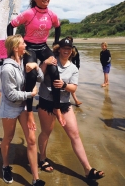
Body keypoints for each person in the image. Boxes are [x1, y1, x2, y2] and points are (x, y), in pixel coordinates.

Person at [37, 37, 105, 180]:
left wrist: (63, 85)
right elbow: (39, 78)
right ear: (59, 49)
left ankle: (88, 169)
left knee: (74, 134)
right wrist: (44, 63)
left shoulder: (73, 68)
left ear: (71, 50)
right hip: (46, 102)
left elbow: (73, 87)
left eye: (69, 49)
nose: (66, 51)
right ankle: (42, 159)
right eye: (64, 48)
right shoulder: (51, 60)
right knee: (46, 132)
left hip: (64, 104)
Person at [7, 0, 65, 129]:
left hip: (44, 46)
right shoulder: (29, 13)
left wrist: (56, 42)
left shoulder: (52, 15)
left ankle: (57, 107)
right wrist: (12, 43)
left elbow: (58, 26)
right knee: (31, 75)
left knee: (55, 73)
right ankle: (29, 110)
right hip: (30, 47)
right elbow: (11, 25)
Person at [0, 34, 45, 186]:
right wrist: (30, 94)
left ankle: (35, 178)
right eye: (23, 43)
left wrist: (36, 66)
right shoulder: (7, 69)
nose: (26, 45)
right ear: (15, 47)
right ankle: (5, 166)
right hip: (11, 108)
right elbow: (11, 94)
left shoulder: (25, 60)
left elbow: (40, 79)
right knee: (8, 138)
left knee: (31, 140)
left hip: (24, 106)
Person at [67, 36, 82, 106]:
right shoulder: (63, 49)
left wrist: (77, 67)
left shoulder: (74, 49)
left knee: (71, 84)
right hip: (65, 67)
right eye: (67, 41)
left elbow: (77, 58)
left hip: (72, 68)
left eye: (70, 41)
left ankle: (75, 100)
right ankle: (75, 100)